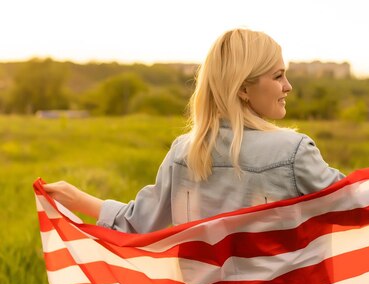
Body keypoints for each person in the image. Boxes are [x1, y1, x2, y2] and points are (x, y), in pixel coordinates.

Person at [44, 29, 344, 233]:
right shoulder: (294, 152)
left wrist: (76, 197)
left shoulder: (184, 152)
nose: (288, 86)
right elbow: (362, 205)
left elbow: (138, 222)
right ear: (242, 88)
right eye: (278, 76)